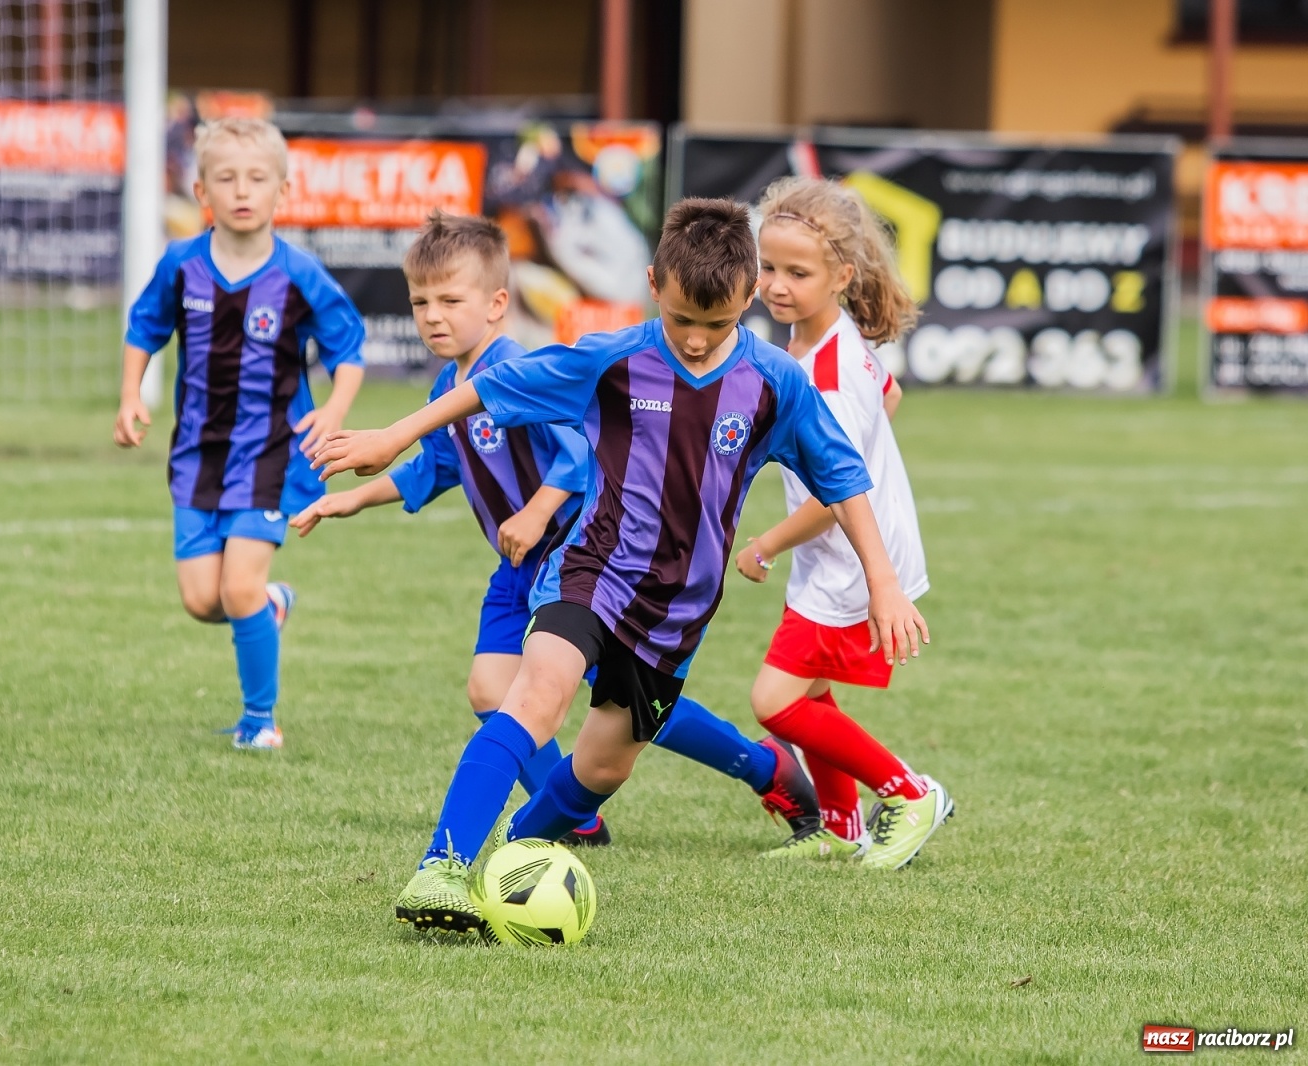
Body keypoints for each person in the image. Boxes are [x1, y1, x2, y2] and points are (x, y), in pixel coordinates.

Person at [313, 198, 931, 935]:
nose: (698, 342)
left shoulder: (776, 383)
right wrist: (394, 434)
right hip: (590, 572)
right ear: (653, 286)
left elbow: (844, 477)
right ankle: (441, 868)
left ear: (746, 299)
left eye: (717, 324)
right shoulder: (612, 359)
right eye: (681, 322)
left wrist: (885, 584)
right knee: (533, 696)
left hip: (677, 614)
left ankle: (516, 853)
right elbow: (491, 387)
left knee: (604, 768)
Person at [290, 211, 610, 845]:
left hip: (573, 561)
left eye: (449, 300)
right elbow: (432, 469)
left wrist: (537, 508)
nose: (431, 315)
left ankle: (757, 764)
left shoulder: (519, 367)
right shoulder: (449, 383)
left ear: (496, 303)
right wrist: (352, 501)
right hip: (518, 567)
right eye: (419, 302)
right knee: (491, 690)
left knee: (631, 706)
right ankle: (576, 816)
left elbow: (582, 452)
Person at [113, 117, 365, 751]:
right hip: (197, 456)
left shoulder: (300, 276)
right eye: (225, 178)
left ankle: (260, 722)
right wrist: (128, 399)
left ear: (284, 191)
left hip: (271, 457)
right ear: (202, 192)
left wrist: (335, 409)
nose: (242, 190)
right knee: (202, 600)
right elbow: (144, 329)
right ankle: (269, 606)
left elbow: (349, 350)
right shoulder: (181, 265)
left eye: (257, 178)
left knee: (236, 585)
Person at [733, 176, 951, 869]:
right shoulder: (818, 342)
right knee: (815, 691)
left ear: (842, 275)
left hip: (854, 558)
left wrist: (766, 541)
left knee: (775, 700)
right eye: (769, 268)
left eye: (798, 273)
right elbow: (890, 394)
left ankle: (910, 792)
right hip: (835, 555)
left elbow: (835, 492)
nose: (777, 285)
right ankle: (840, 826)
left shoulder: (828, 372)